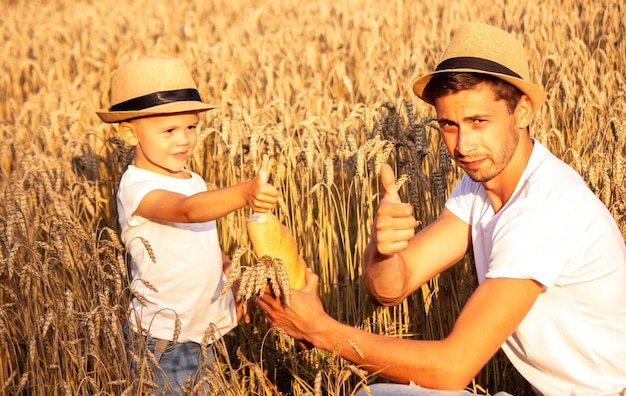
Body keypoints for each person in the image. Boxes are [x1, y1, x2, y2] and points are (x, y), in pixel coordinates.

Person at [257, 23, 626, 395]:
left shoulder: (544, 209)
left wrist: (320, 330)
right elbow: (389, 290)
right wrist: (383, 250)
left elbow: (451, 369)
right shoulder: (480, 185)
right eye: (449, 125)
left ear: (523, 112)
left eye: (478, 122)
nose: (463, 146)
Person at [96, 57, 279, 394]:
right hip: (162, 347)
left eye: (191, 127)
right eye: (169, 130)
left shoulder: (193, 179)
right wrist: (244, 192)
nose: (184, 140)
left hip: (203, 338)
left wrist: (230, 276)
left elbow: (202, 239)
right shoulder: (137, 187)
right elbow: (186, 212)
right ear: (129, 132)